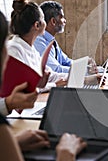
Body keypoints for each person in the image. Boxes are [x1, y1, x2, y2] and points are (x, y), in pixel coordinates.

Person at [0, 9, 86, 160]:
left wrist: (14, 142)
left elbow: (49, 73)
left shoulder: (32, 49)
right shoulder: (17, 47)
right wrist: (65, 155)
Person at [7, 0, 68, 90]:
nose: (45, 23)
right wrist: (54, 85)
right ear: (37, 25)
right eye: (43, 19)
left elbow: (52, 75)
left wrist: (86, 79)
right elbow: (23, 88)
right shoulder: (14, 49)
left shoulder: (31, 50)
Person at [34, 1, 98, 74]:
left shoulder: (51, 41)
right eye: (62, 17)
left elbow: (66, 62)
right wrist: (85, 72)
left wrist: (85, 64)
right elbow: (55, 70)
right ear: (53, 21)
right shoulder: (39, 42)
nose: (65, 21)